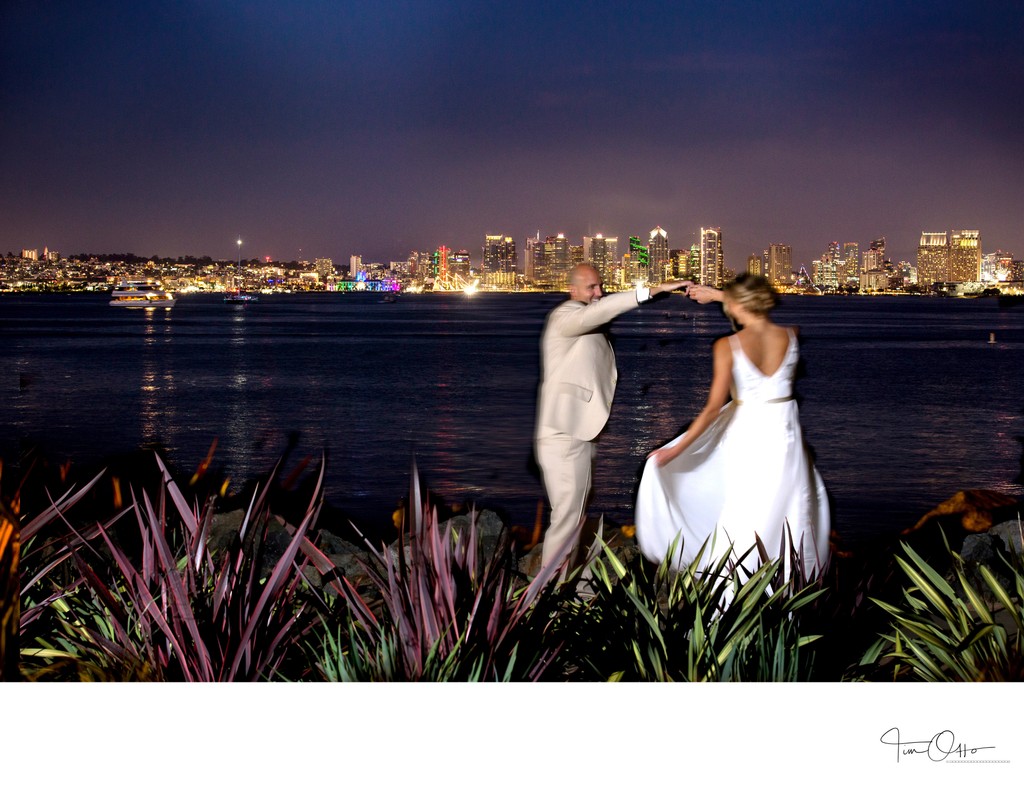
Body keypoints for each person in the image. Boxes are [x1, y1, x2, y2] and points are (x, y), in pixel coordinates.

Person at [636, 273, 830, 582]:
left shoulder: (728, 346)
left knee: (744, 510)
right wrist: (718, 295)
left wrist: (675, 449)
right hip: (785, 438)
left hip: (749, 437)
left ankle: (734, 590)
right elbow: (756, 314)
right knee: (785, 510)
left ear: (738, 305)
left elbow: (713, 409)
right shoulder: (791, 335)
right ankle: (788, 589)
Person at [535, 263, 689, 573]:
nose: (599, 293)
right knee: (566, 518)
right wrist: (654, 290)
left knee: (575, 516)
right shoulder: (566, 316)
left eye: (600, 286)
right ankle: (546, 595)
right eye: (591, 288)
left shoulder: (581, 320)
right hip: (564, 435)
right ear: (573, 291)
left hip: (577, 435)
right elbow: (601, 311)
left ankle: (572, 584)